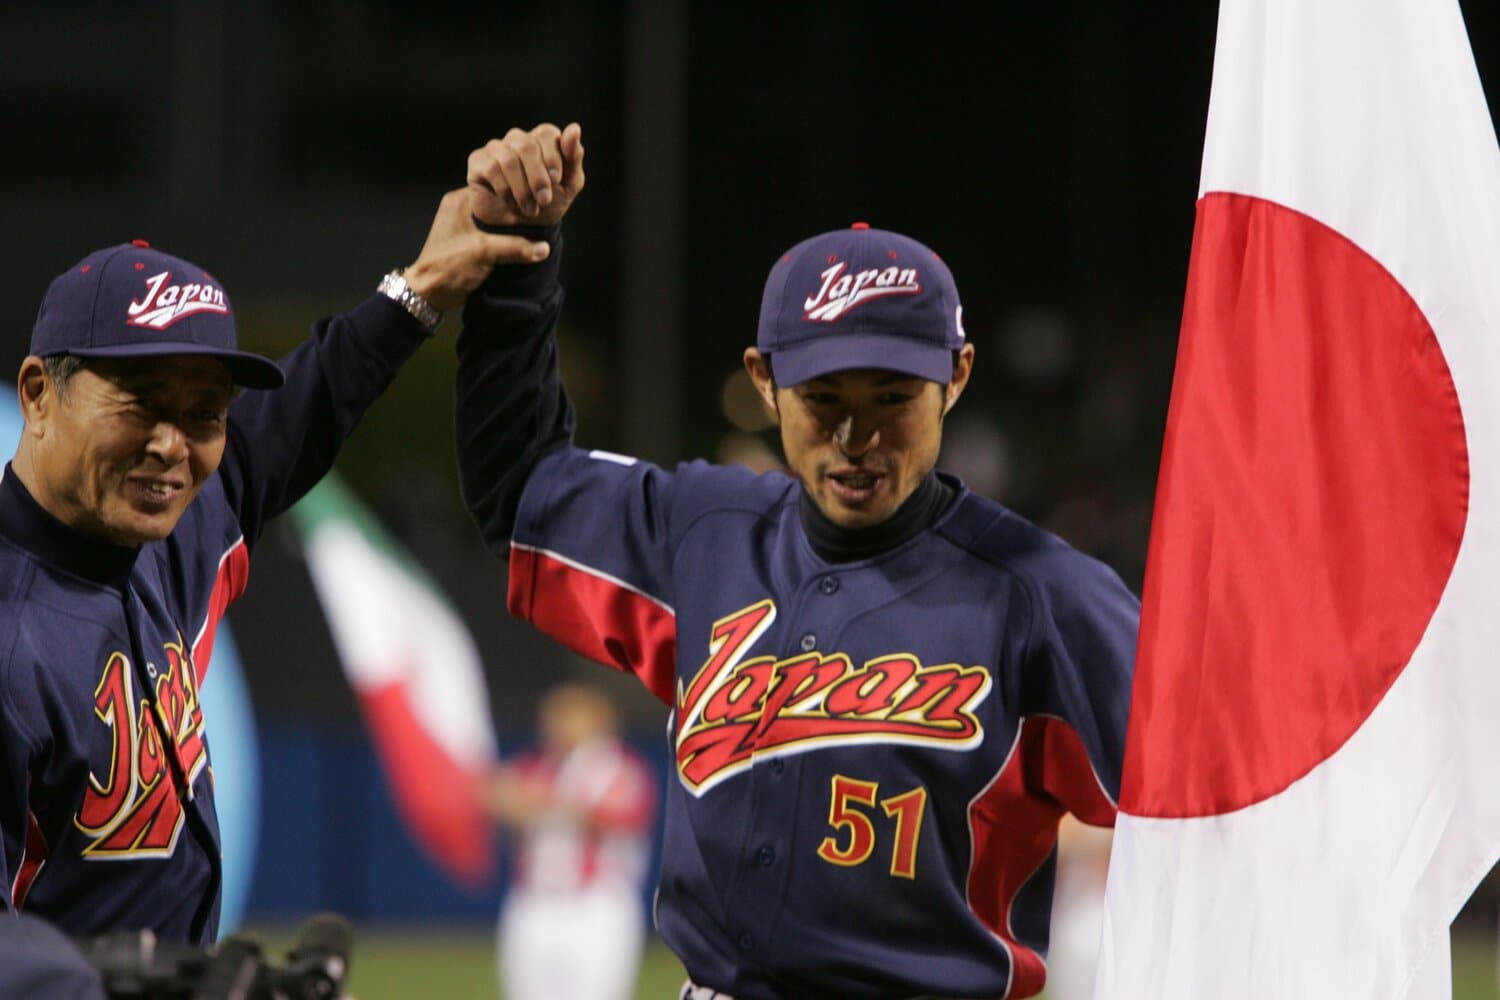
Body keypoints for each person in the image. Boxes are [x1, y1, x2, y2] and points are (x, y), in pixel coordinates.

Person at [454, 122, 1140, 1000]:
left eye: (894, 397)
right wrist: (520, 268)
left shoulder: (1045, 595)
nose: (857, 436)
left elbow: (1209, 816)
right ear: (765, 379)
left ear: (957, 377)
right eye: (823, 398)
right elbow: (519, 492)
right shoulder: (706, 533)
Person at [0, 182, 554, 946]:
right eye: (139, 400)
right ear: (38, 393)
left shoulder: (170, 534)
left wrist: (419, 289)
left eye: (204, 414)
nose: (171, 445)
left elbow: (306, 407)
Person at [485, 682, 656, 1000]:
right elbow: (499, 796)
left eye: (568, 714)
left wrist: (545, 804)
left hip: (594, 907)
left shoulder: (615, 768)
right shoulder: (540, 765)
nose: (556, 723)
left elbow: (613, 817)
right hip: (535, 903)